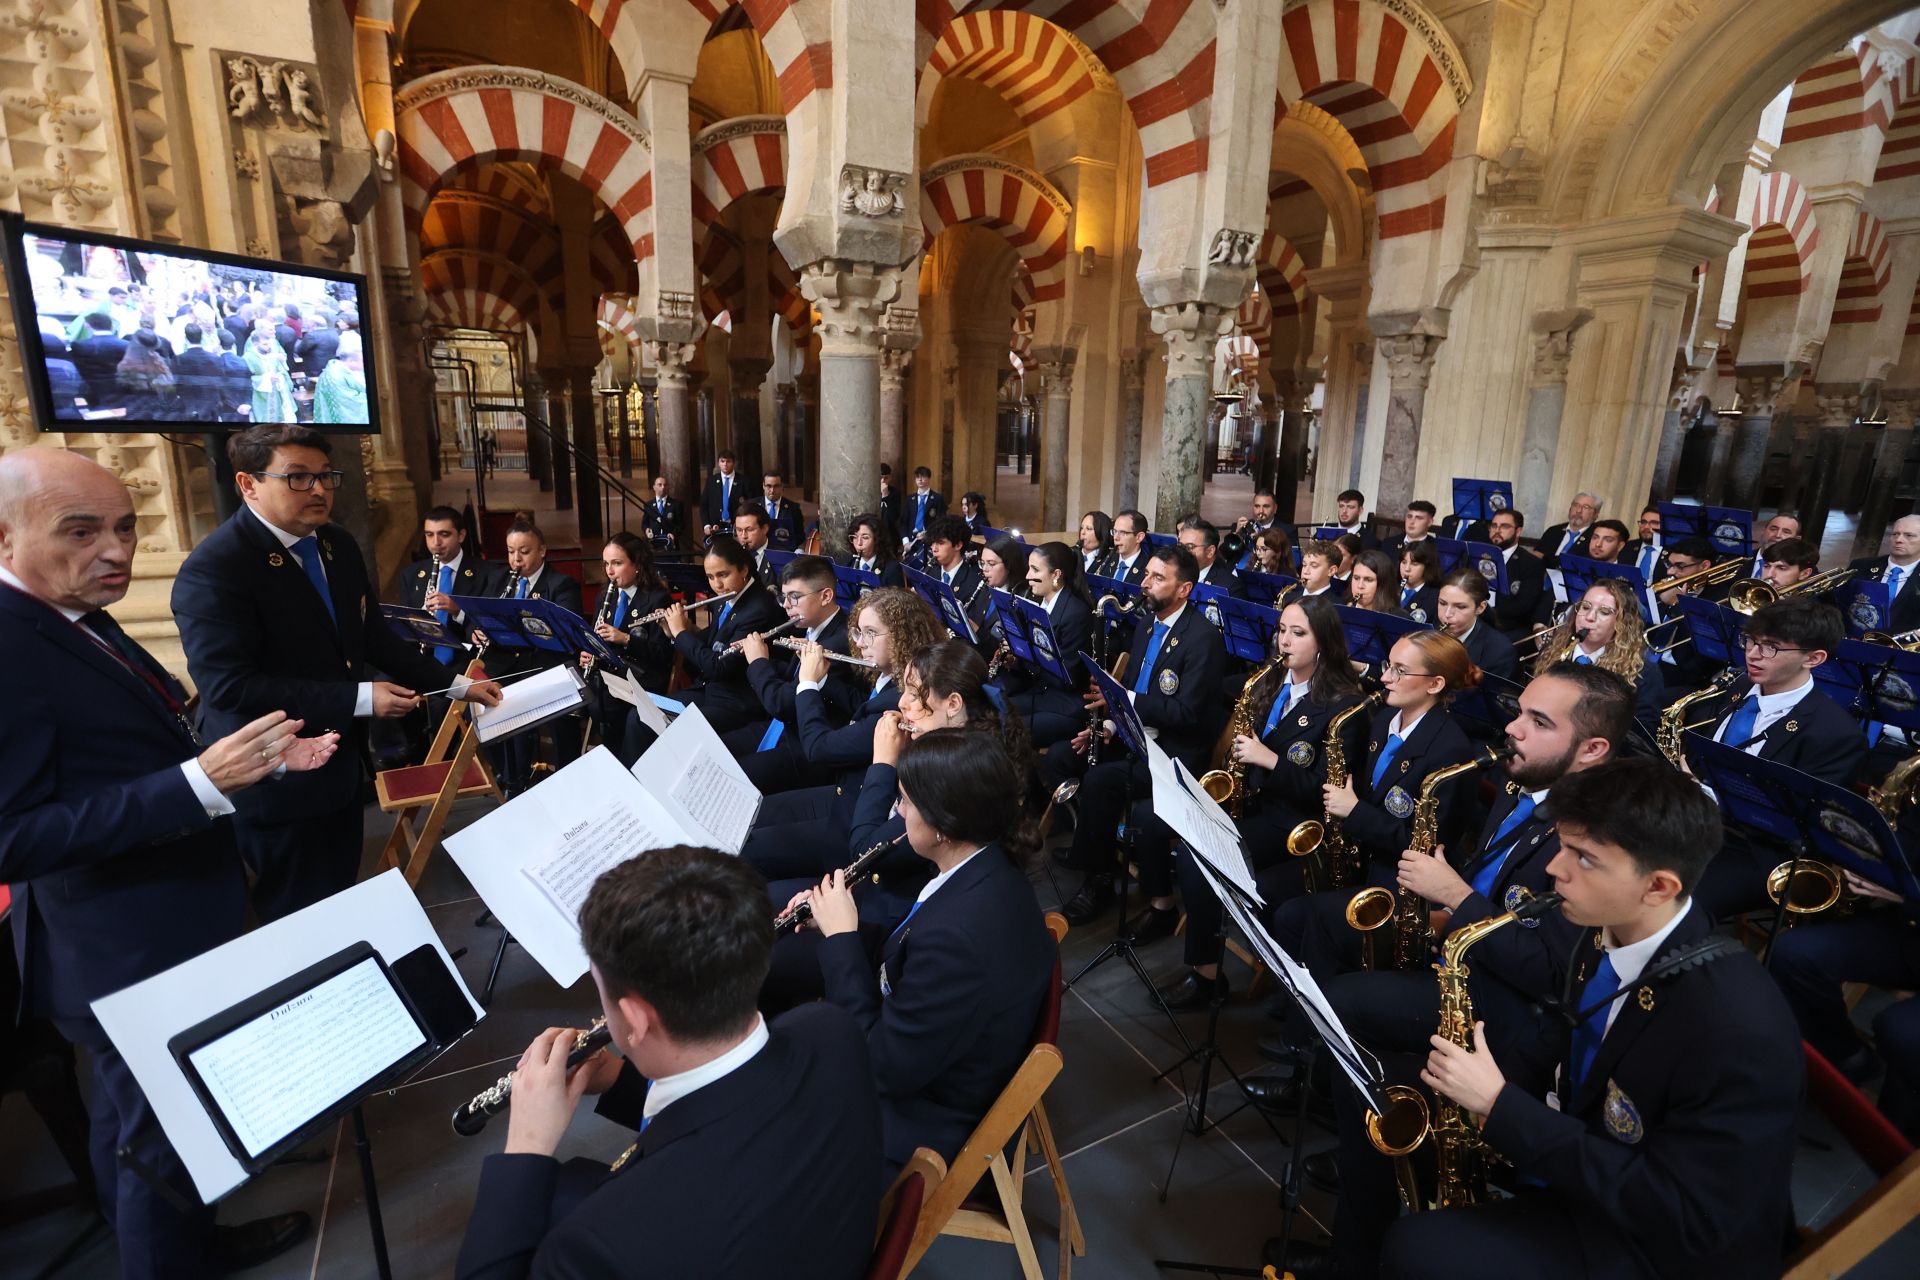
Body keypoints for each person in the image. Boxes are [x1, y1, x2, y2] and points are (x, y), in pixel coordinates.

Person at [0, 449, 335, 1278]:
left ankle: (184, 1244)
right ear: (5, 536)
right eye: (81, 531)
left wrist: (242, 764)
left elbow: (119, 748)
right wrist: (197, 784)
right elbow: (12, 836)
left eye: (124, 527)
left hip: (141, 927)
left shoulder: (70, 610)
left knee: (133, 1127)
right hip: (120, 940)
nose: (116, 551)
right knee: (163, 1138)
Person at [1382, 759, 1804, 1280]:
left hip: (1652, 1245)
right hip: (1585, 1159)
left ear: (1658, 887)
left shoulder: (1735, 1028)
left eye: (1583, 857)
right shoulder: (1602, 925)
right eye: (1562, 846)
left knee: (1416, 1248)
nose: (1556, 869)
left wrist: (1501, 1107)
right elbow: (1566, 1037)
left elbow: (1691, 1217)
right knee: (1387, 1097)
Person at [1279, 664, 1634, 1277]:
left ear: (1593, 750)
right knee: (1351, 1030)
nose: (1512, 728)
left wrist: (1457, 897)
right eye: (1519, 711)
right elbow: (1490, 885)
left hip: (1516, 1017)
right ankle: (1367, 1166)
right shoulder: (1528, 782)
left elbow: (1553, 970)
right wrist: (1450, 901)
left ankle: (1363, 1228)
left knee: (1352, 1021)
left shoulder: (1600, 834)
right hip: (1470, 964)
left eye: (1537, 722)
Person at [456, 846, 883, 1280]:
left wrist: (527, 1146)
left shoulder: (600, 1243)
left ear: (637, 1019)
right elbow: (726, 1107)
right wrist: (619, 1079)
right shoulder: (830, 1030)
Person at [173, 427, 500, 920]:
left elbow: (372, 637)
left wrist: (458, 684)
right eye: (298, 478)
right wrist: (361, 698)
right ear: (248, 484)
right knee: (296, 914)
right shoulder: (216, 568)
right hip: (276, 777)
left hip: (341, 765)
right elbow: (230, 687)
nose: (320, 490)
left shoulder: (336, 545)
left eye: (326, 476)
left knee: (339, 895)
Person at [803, 728, 1054, 1171]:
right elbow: (910, 942)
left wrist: (841, 942)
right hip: (938, 1061)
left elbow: (879, 1065)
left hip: (916, 1128)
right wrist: (839, 924)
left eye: (904, 801)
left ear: (941, 825)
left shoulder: (960, 939)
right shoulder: (984, 866)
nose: (897, 811)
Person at [763, 639, 1036, 1011]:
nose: (902, 702)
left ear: (953, 704)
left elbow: (868, 848)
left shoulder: (952, 779)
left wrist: (883, 762)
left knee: (755, 958)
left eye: (913, 693)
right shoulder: (947, 753)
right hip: (878, 907)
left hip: (886, 912)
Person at [1155, 596, 1369, 1008]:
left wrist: (1268, 760)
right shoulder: (1271, 681)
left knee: (1199, 864)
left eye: (1298, 633)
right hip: (1255, 804)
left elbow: (1327, 791)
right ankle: (1205, 967)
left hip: (1296, 823)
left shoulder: (1344, 706)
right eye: (1281, 630)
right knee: (1187, 848)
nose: (1284, 642)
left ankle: (1206, 978)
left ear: (1323, 641)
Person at [1046, 544, 1229, 925]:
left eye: (1157, 578)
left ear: (1184, 589)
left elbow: (1185, 714)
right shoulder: (1147, 623)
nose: (1144, 583)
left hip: (1174, 752)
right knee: (1063, 756)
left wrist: (1126, 700)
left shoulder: (1203, 639)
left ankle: (1098, 877)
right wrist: (1111, 724)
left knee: (1101, 780)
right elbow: (1131, 688)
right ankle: (1091, 842)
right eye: (1146, 573)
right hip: (1137, 734)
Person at [737, 588, 945, 878]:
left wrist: (808, 682)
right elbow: (862, 705)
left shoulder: (901, 703)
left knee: (751, 852)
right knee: (758, 812)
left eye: (871, 633)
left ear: (902, 636)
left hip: (856, 819)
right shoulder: (890, 679)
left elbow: (819, 748)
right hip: (844, 793)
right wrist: (824, 680)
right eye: (858, 632)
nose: (859, 644)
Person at [1685, 595, 1868, 919]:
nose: (1753, 653)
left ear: (1813, 658)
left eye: (1771, 646)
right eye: (1751, 640)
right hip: (1692, 822)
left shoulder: (1836, 733)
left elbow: (1794, 823)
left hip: (1753, 848)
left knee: (1677, 903)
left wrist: (1706, 794)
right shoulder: (1740, 686)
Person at [732, 555, 860, 786]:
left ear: (826, 596)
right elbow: (794, 677)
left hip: (806, 745)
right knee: (720, 748)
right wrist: (765, 657)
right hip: (786, 728)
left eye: (795, 597)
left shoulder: (837, 643)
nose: (786, 605)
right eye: (784, 597)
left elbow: (781, 704)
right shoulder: (814, 626)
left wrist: (758, 662)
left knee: (735, 776)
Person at [486, 517, 584, 794]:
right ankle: (509, 777)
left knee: (550, 707)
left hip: (547, 666)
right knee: (483, 702)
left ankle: (566, 780)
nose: (516, 560)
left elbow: (568, 633)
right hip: (508, 664)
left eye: (524, 551)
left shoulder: (561, 585)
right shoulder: (500, 580)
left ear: (542, 551)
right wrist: (478, 631)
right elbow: (481, 617)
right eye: (510, 551)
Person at [661, 536, 785, 735]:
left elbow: (719, 666)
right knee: (642, 716)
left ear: (743, 570)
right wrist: (676, 631)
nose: (716, 584)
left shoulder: (758, 609)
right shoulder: (726, 597)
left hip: (738, 700)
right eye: (710, 577)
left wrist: (681, 633)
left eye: (722, 575)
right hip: (711, 689)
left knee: (679, 730)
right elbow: (713, 640)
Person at [1527, 579, 1664, 729]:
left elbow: (1641, 735)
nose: (1589, 617)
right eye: (1585, 607)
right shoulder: (1552, 650)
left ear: (1622, 623)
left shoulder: (1644, 673)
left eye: (1604, 612)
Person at [1003, 540, 1095, 747]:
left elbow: (1068, 677)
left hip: (1066, 705)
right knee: (989, 713)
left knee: (1006, 730)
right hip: (1042, 692)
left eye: (1035, 569)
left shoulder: (1076, 614)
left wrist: (1025, 654)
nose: (1027, 576)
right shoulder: (1035, 601)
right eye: (1029, 568)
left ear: (1056, 575)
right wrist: (1015, 657)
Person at [401, 505, 495, 663]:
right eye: (429, 535)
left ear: (461, 535)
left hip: (467, 659)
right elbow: (405, 627)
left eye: (444, 534)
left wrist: (458, 610)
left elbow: (489, 625)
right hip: (423, 660)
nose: (436, 542)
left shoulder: (487, 573)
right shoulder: (410, 574)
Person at [1436, 567, 1516, 681]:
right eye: (1442, 603)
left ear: (1480, 608)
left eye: (1460, 607)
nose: (1447, 614)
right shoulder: (1427, 628)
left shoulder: (1500, 652)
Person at [1849, 513, 1920, 633]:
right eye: (1895, 534)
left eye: (1909, 535)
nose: (1899, 540)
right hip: (1853, 638)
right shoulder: (1861, 566)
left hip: (1901, 647)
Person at [1486, 508, 1548, 637]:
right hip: (1475, 619)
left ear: (1518, 531)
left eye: (1504, 526)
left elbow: (1523, 606)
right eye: (1494, 526)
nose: (1497, 531)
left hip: (1507, 627)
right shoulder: (1479, 553)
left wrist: (1484, 611)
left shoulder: (1531, 563)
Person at [924, 515, 985, 615]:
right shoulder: (930, 572)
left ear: (958, 545)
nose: (934, 549)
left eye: (940, 543)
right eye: (933, 543)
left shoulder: (974, 583)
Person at [69, 311, 129, 410]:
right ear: (111, 326)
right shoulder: (126, 345)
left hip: (90, 391)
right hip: (120, 391)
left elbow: (77, 370)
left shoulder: (79, 345)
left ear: (88, 325)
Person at [114, 329, 177, 421]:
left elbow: (121, 391)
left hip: (135, 413)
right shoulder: (161, 361)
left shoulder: (125, 366)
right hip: (160, 414)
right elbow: (170, 388)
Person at [173, 323, 226, 422]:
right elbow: (221, 382)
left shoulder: (179, 359)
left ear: (186, 337)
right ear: (201, 336)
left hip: (189, 406)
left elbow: (176, 384)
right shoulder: (216, 359)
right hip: (210, 407)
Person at [311, 332, 368, 424]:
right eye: (362, 361)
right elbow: (348, 402)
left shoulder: (341, 370)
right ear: (351, 360)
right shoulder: (334, 375)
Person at [244, 326, 297, 424]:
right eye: (264, 344)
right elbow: (246, 379)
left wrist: (280, 377)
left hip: (276, 393)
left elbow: (281, 371)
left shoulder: (272, 355)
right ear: (255, 344)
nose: (268, 347)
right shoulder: (248, 357)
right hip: (260, 397)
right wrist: (267, 378)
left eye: (269, 344)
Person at [1535, 491, 1601, 567]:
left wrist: (1546, 558)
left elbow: (1581, 564)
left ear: (1596, 514)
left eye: (1586, 507)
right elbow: (1536, 557)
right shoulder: (1553, 531)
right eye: (1576, 505)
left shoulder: (1596, 536)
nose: (1578, 511)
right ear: (1570, 508)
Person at [1179, 516, 1240, 595]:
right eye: (1180, 546)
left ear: (1210, 551)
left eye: (1189, 547)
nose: (1182, 551)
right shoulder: (1174, 576)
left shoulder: (1230, 587)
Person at [845, 511, 906, 588]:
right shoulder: (848, 564)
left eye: (865, 537)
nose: (859, 543)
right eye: (855, 537)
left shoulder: (892, 569)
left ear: (877, 540)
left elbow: (896, 599)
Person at [1397, 540, 1442, 623]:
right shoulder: (1389, 588)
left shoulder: (1435, 598)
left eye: (1414, 564)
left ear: (1427, 567)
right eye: (1403, 562)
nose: (1407, 569)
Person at [731, 504, 776, 587]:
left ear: (765, 529)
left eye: (749, 530)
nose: (743, 536)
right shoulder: (732, 555)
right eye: (739, 530)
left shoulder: (779, 555)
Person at [1347, 548, 1402, 615]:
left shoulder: (1399, 618)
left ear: (1383, 583)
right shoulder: (1339, 612)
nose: (1360, 586)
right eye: (1356, 578)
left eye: (1368, 580)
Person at [759, 470, 805, 549]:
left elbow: (800, 535)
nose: (772, 490)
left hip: (784, 551)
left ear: (782, 486)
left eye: (776, 486)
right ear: (763, 486)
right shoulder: (753, 505)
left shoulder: (794, 508)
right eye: (768, 486)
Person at [1748, 511, 1802, 578]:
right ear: (1763, 531)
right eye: (1773, 529)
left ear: (1796, 539)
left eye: (1786, 532)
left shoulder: (1802, 568)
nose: (1777, 535)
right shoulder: (1741, 559)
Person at [701, 451, 740, 537]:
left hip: (736, 529)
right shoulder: (711, 481)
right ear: (718, 463)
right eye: (722, 461)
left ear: (733, 463)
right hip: (714, 529)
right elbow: (704, 505)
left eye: (728, 461)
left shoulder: (743, 481)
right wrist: (706, 525)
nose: (725, 464)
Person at [902, 465, 946, 543]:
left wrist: (928, 534)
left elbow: (941, 522)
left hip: (930, 540)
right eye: (917, 477)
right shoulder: (909, 499)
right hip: (911, 540)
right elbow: (903, 521)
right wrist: (905, 541)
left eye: (923, 477)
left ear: (929, 478)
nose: (920, 479)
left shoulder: (937, 498)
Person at [640, 474, 683, 549]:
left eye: (665, 485)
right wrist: (647, 529)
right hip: (653, 543)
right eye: (660, 485)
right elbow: (645, 523)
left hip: (669, 543)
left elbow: (681, 524)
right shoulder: (648, 505)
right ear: (654, 487)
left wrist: (674, 534)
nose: (663, 487)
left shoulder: (675, 504)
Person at [1110, 508, 1151, 583]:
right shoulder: (1107, 560)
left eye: (1122, 533)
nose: (1116, 537)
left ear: (1139, 537)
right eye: (1115, 531)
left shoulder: (1148, 569)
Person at [1625, 505, 1664, 580]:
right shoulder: (1627, 547)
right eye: (1643, 522)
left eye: (1654, 523)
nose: (1646, 527)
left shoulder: (1672, 553)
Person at [1078, 509, 1118, 579]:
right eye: (1082, 528)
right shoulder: (1070, 553)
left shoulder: (1110, 558)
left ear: (1102, 532)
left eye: (1089, 529)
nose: (1083, 532)